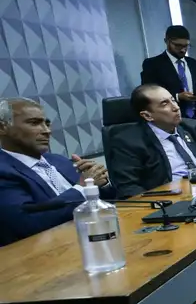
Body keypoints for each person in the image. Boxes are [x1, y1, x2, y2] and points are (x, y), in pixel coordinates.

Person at [0, 98, 116, 246]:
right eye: (34, 123)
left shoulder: (59, 160)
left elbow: (108, 202)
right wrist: (83, 188)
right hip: (47, 250)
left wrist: (101, 183)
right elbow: (25, 224)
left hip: (96, 236)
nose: (47, 131)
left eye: (47, 123)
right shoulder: (4, 172)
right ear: (2, 128)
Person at [106, 84, 196, 199]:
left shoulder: (190, 126)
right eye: (164, 104)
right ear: (147, 116)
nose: (176, 107)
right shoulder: (128, 142)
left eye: (173, 100)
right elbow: (128, 188)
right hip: (170, 201)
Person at [140, 25, 196, 120]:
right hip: (169, 119)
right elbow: (149, 93)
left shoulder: (195, 64)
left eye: (186, 46)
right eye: (178, 46)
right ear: (166, 41)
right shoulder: (152, 64)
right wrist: (177, 96)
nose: (183, 50)